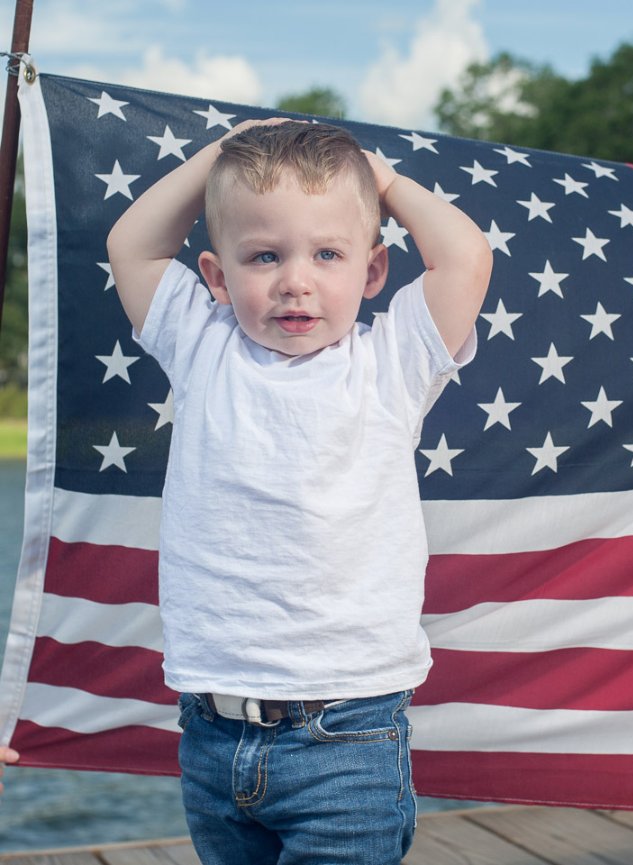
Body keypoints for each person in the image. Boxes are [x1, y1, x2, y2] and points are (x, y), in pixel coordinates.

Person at [106, 119, 492, 864]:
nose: (295, 280)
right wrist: (215, 158)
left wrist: (384, 182)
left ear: (372, 272)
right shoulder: (201, 344)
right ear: (218, 278)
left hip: (346, 733)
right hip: (212, 731)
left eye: (327, 254)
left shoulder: (391, 364)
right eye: (264, 256)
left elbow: (465, 258)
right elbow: (133, 246)